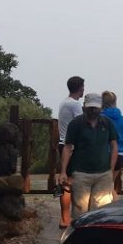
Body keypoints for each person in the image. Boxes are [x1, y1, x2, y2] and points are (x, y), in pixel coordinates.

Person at [58, 93, 118, 218]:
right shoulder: (75, 123)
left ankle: (97, 236)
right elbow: (67, 147)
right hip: (81, 172)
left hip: (103, 173)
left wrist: (111, 170)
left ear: (100, 108)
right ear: (84, 107)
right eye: (90, 108)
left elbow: (114, 145)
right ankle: (79, 235)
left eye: (95, 108)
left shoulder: (107, 123)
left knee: (101, 210)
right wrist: (63, 171)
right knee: (80, 210)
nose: (92, 111)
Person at [56, 75, 84, 228]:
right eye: (83, 87)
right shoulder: (74, 105)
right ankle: (67, 218)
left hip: (62, 143)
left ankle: (64, 217)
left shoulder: (63, 103)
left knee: (66, 180)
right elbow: (82, 124)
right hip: (72, 146)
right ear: (80, 88)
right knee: (69, 183)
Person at [101, 91, 123, 200]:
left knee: (105, 186)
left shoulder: (100, 118)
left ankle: (117, 207)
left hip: (104, 154)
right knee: (109, 184)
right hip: (120, 154)